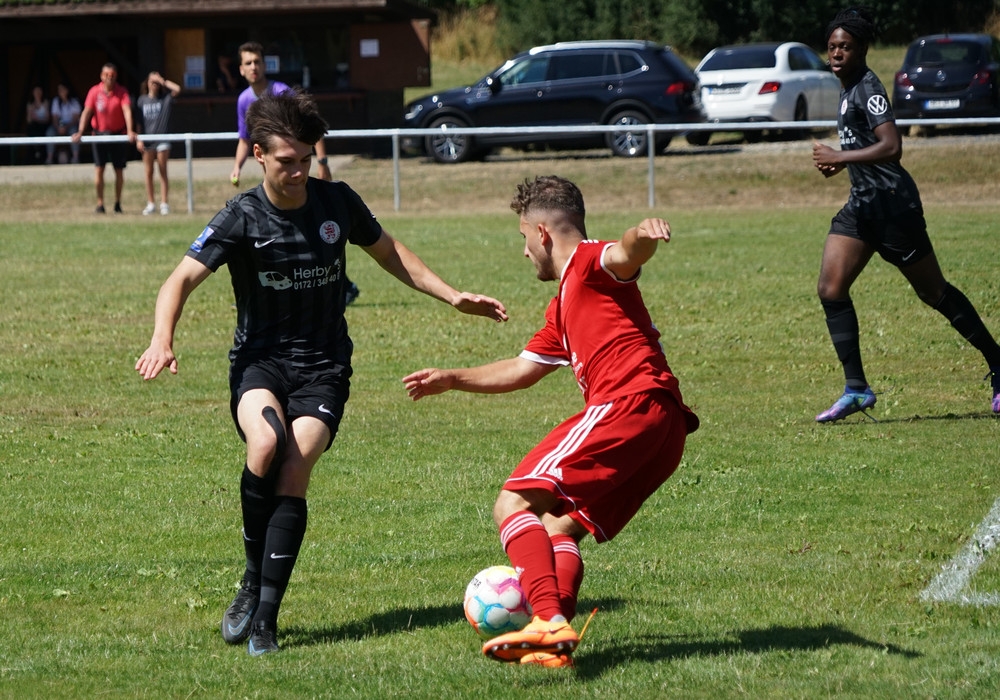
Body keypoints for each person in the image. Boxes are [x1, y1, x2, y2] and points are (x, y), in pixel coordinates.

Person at [135, 90, 508, 657]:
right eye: (287, 161)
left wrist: (452, 295)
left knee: (294, 465)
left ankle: (265, 620)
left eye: (306, 160)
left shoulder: (336, 201)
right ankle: (252, 577)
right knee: (266, 443)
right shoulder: (241, 216)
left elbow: (389, 252)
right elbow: (178, 280)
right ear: (259, 155)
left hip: (324, 367)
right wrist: (163, 338)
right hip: (260, 362)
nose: (299, 172)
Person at [403, 175, 699, 668]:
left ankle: (545, 619)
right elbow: (522, 370)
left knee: (512, 502)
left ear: (542, 233)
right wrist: (452, 378)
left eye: (524, 238)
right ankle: (554, 637)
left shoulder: (588, 262)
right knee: (557, 526)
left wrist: (643, 234)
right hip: (665, 429)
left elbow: (625, 254)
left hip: (629, 404)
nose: (525, 252)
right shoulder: (562, 305)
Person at [811, 7, 1000, 422]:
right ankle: (856, 389)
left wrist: (840, 157)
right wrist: (844, 163)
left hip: (894, 208)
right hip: (863, 206)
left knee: (934, 293)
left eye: (845, 47)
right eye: (833, 47)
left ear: (862, 49)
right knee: (831, 288)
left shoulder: (868, 87)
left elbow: (892, 146)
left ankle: (998, 362)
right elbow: (865, 148)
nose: (837, 53)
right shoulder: (846, 87)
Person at [228, 41, 359, 304]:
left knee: (310, 231)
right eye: (248, 63)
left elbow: (310, 128)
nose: (254, 67)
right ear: (241, 69)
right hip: (272, 181)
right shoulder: (244, 100)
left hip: (295, 177)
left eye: (257, 61)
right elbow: (244, 139)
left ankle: (342, 286)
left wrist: (322, 161)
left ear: (264, 65)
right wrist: (236, 167)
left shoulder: (281, 92)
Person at [73, 63, 137, 213]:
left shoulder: (122, 92)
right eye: (107, 75)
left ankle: (117, 203)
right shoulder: (94, 92)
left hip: (118, 135)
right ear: (102, 76)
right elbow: (87, 112)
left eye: (112, 75)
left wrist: (130, 131)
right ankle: (100, 203)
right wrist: (80, 131)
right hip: (99, 135)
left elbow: (127, 111)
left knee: (119, 170)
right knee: (99, 169)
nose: (110, 78)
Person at [136, 71, 181, 215]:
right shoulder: (142, 100)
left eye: (156, 83)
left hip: (162, 139)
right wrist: (139, 139)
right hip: (147, 140)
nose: (154, 84)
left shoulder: (165, 98)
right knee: (148, 172)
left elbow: (177, 89)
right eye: (152, 82)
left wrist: (162, 81)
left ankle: (164, 203)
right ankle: (150, 203)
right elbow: (139, 122)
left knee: (162, 170)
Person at [46, 83, 82, 164]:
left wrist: (66, 127)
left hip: (71, 125)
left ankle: (75, 157)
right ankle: (49, 158)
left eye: (62, 89)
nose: (60, 91)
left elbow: (75, 119)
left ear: (67, 90)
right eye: (59, 90)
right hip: (58, 126)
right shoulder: (56, 101)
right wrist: (58, 127)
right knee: (49, 132)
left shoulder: (74, 101)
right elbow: (54, 118)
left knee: (74, 132)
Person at [26, 86, 50, 163]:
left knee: (44, 132)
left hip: (43, 126)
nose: (37, 94)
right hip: (34, 127)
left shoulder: (45, 102)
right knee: (32, 129)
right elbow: (29, 120)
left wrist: (37, 119)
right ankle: (33, 156)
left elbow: (47, 119)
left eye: (39, 92)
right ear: (33, 93)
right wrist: (32, 110)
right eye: (36, 92)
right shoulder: (30, 104)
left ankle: (42, 156)